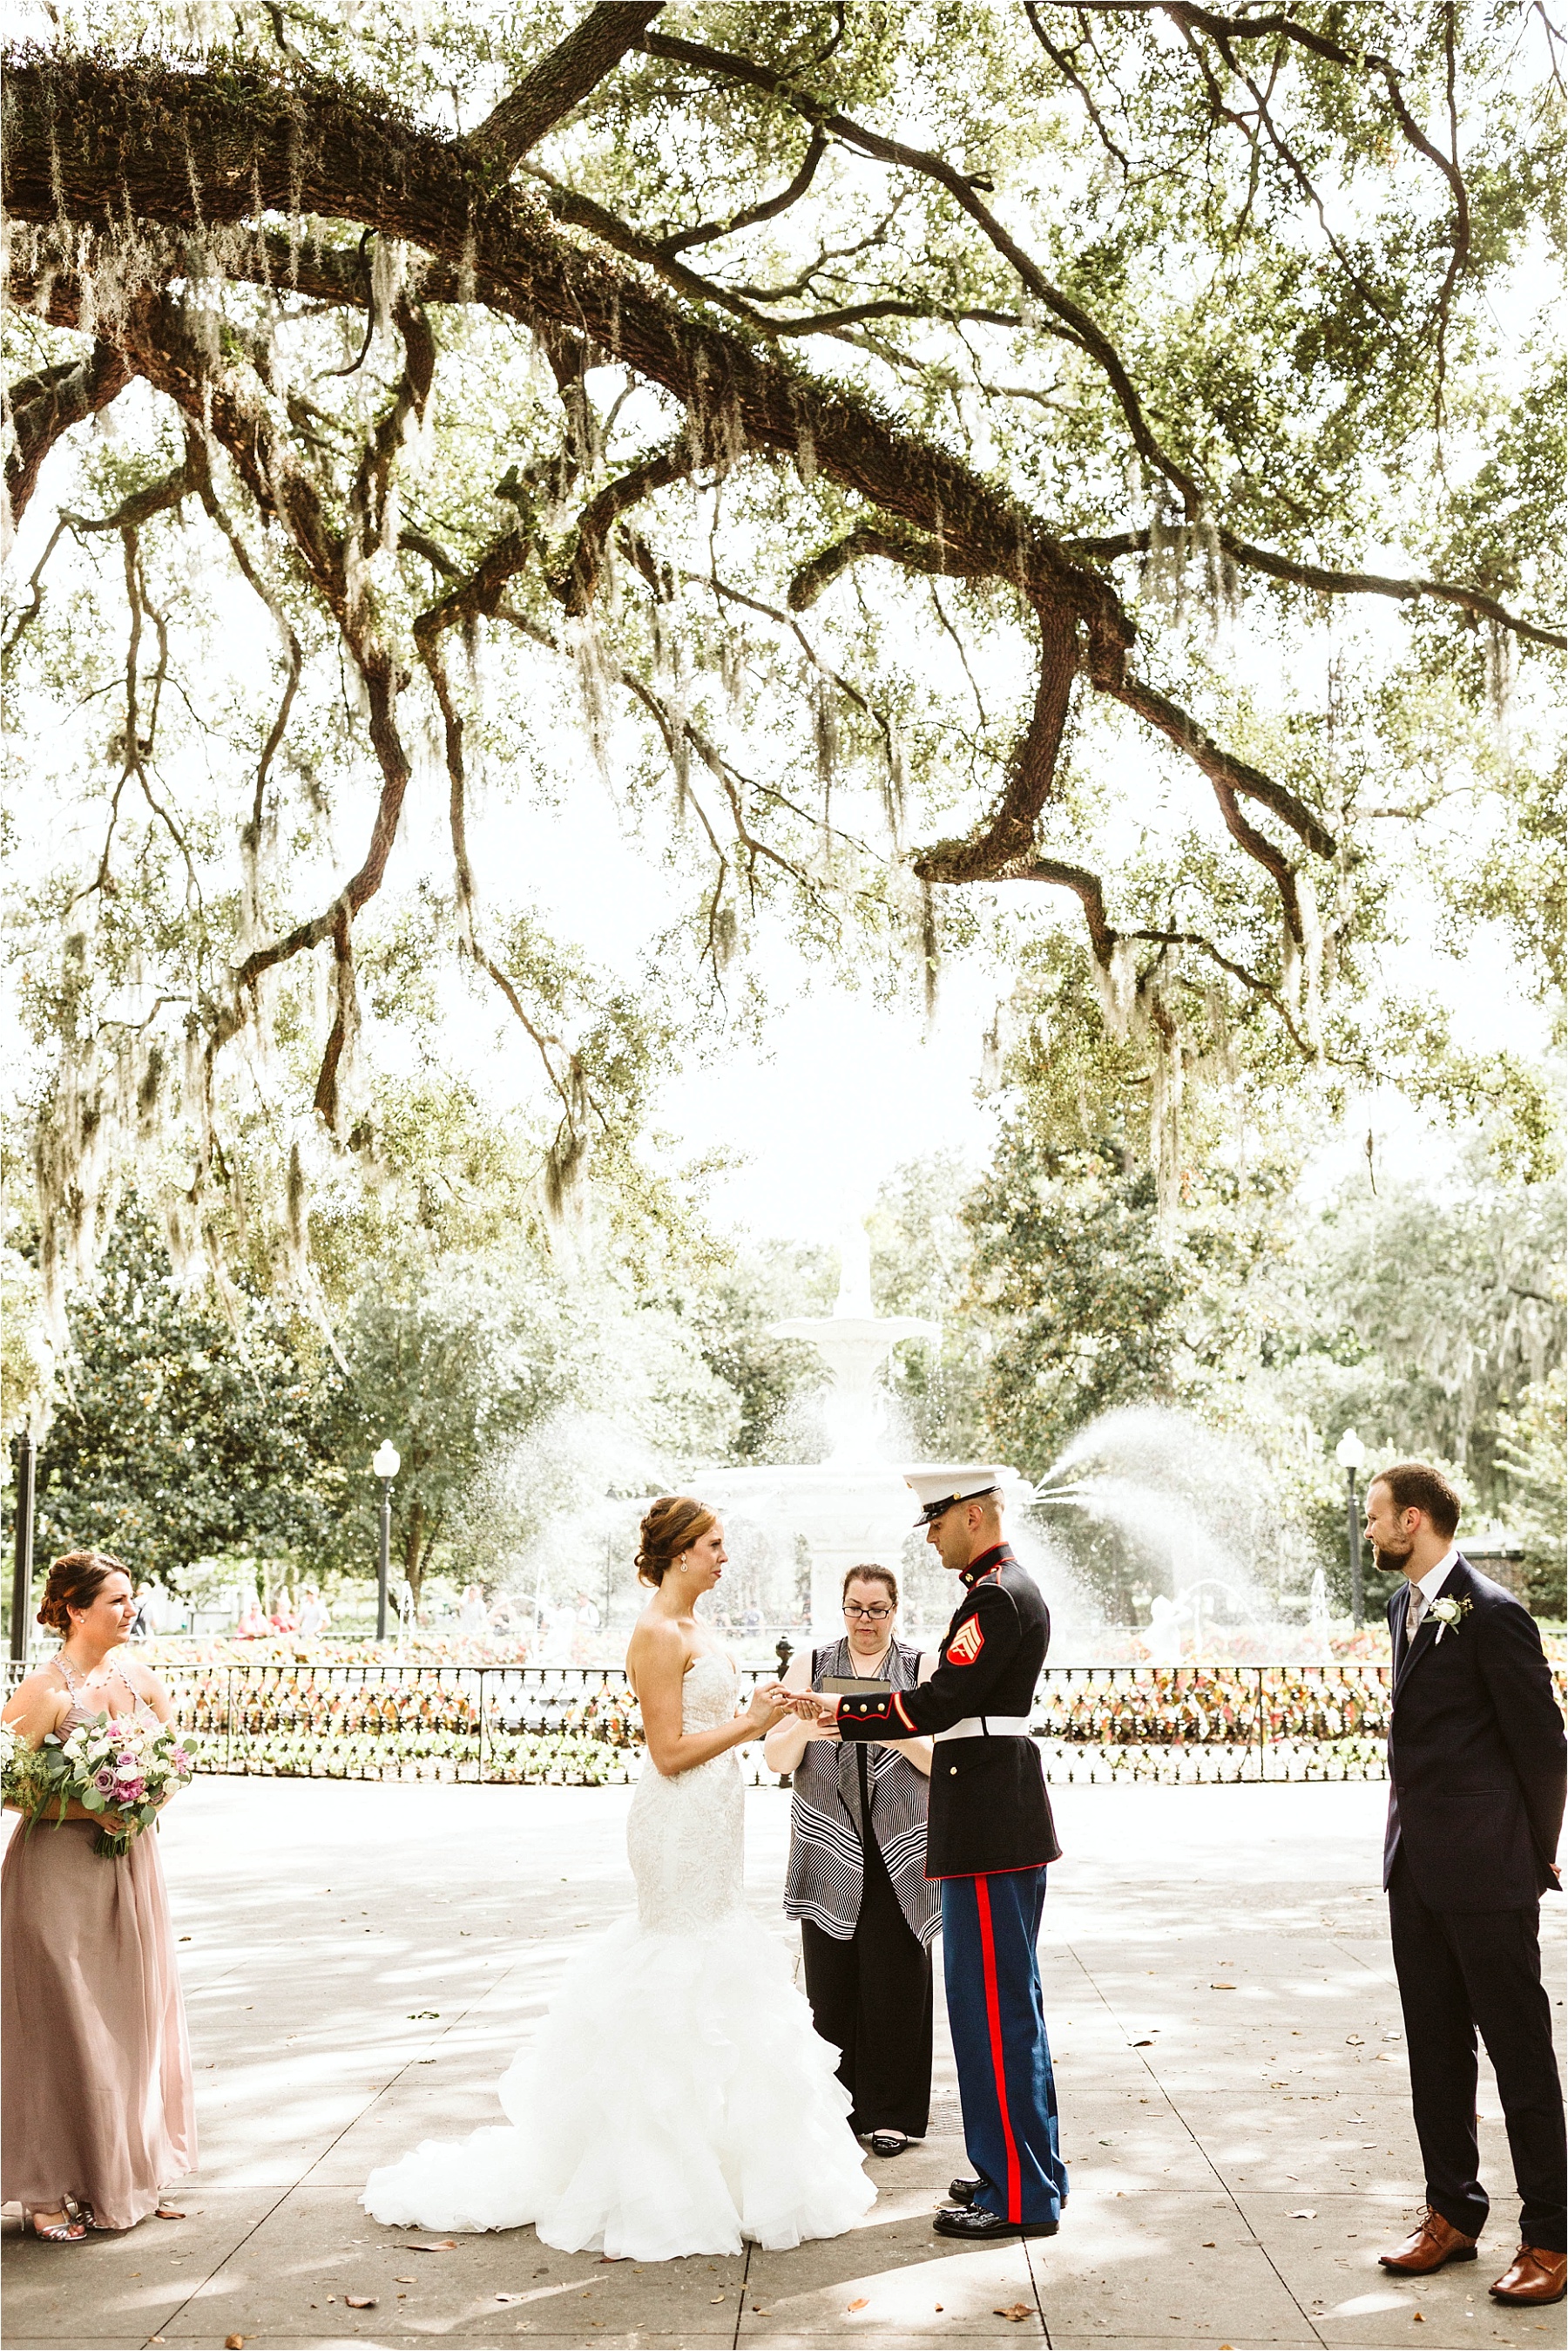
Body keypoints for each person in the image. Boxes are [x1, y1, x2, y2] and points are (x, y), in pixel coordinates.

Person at [362, 1495, 874, 2260]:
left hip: (716, 1815)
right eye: (713, 1546)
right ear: (677, 1555)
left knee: (721, 1962)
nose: (724, 1557)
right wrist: (753, 1724)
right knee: (679, 1966)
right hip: (675, 1821)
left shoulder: (701, 1626)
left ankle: (734, 2168)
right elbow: (667, 1751)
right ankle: (662, 2175)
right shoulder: (656, 1634)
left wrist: (767, 1711)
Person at [797, 1465, 1068, 2242]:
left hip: (988, 1822)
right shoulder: (1001, 1590)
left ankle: (1017, 2194)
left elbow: (939, 1703)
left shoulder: (996, 1597)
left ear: (977, 1516)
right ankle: (1021, 2169)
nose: (932, 1535)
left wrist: (838, 1710)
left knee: (994, 2013)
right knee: (1007, 2006)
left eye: (940, 1522)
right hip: (993, 1815)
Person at [1365, 1463, 1565, 2308]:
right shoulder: (1402, 1606)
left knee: (1519, 2054)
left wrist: (1533, 1855)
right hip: (1415, 1867)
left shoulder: (1495, 1613)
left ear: (1415, 1519)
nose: (1367, 1529)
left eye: (1375, 1517)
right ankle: (1451, 2212)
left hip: (1490, 1871)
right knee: (1435, 2049)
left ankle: (1552, 2236)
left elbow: (1544, 1745)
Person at [1, 1551, 196, 2241]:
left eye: (133, 1597)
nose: (131, 1608)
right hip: (56, 1873)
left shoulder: (144, 1681)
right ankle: (45, 2191)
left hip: (132, 1868)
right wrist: (93, 1810)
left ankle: (116, 2176)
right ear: (78, 1610)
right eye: (117, 1599)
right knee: (63, 2027)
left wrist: (142, 1801)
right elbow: (8, 1785)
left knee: (129, 2023)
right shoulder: (42, 1692)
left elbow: (174, 1763)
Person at [766, 1563, 938, 2158]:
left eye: (877, 1610)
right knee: (831, 1987)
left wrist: (873, 1718)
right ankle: (837, 2111)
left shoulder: (919, 1669)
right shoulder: (812, 1666)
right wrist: (815, 1725)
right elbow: (775, 1758)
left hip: (900, 1847)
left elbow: (938, 1759)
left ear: (896, 1611)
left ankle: (893, 2113)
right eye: (855, 1608)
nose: (866, 1621)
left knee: (898, 1983)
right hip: (827, 1843)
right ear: (841, 1608)